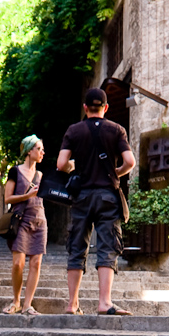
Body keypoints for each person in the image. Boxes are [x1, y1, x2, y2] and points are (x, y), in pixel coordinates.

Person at [57, 88, 136, 315]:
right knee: (107, 248)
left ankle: (72, 304)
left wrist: (74, 168)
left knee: (77, 248)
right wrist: (115, 173)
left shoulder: (74, 130)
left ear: (85, 108)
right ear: (105, 107)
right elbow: (129, 161)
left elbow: (61, 164)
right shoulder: (116, 130)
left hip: (81, 196)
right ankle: (104, 303)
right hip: (107, 196)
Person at [2, 134, 47, 316]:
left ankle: (28, 304)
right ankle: (16, 301)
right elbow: (7, 198)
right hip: (21, 220)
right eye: (39, 149)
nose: (42, 152)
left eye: (42, 149)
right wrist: (26, 196)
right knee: (18, 264)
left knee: (36, 263)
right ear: (29, 151)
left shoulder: (41, 175)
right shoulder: (15, 171)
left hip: (39, 220)